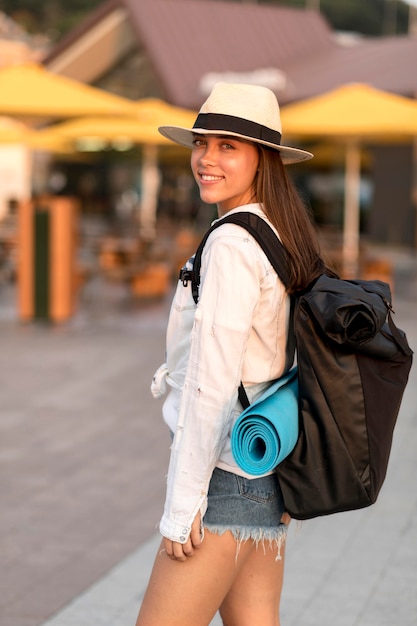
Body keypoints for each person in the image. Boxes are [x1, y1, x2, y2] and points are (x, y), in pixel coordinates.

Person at [135, 82, 325, 626]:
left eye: (228, 146)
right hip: (265, 468)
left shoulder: (233, 244)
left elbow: (210, 386)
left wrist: (180, 508)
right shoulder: (277, 232)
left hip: (226, 478)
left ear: (261, 159)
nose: (206, 159)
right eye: (203, 143)